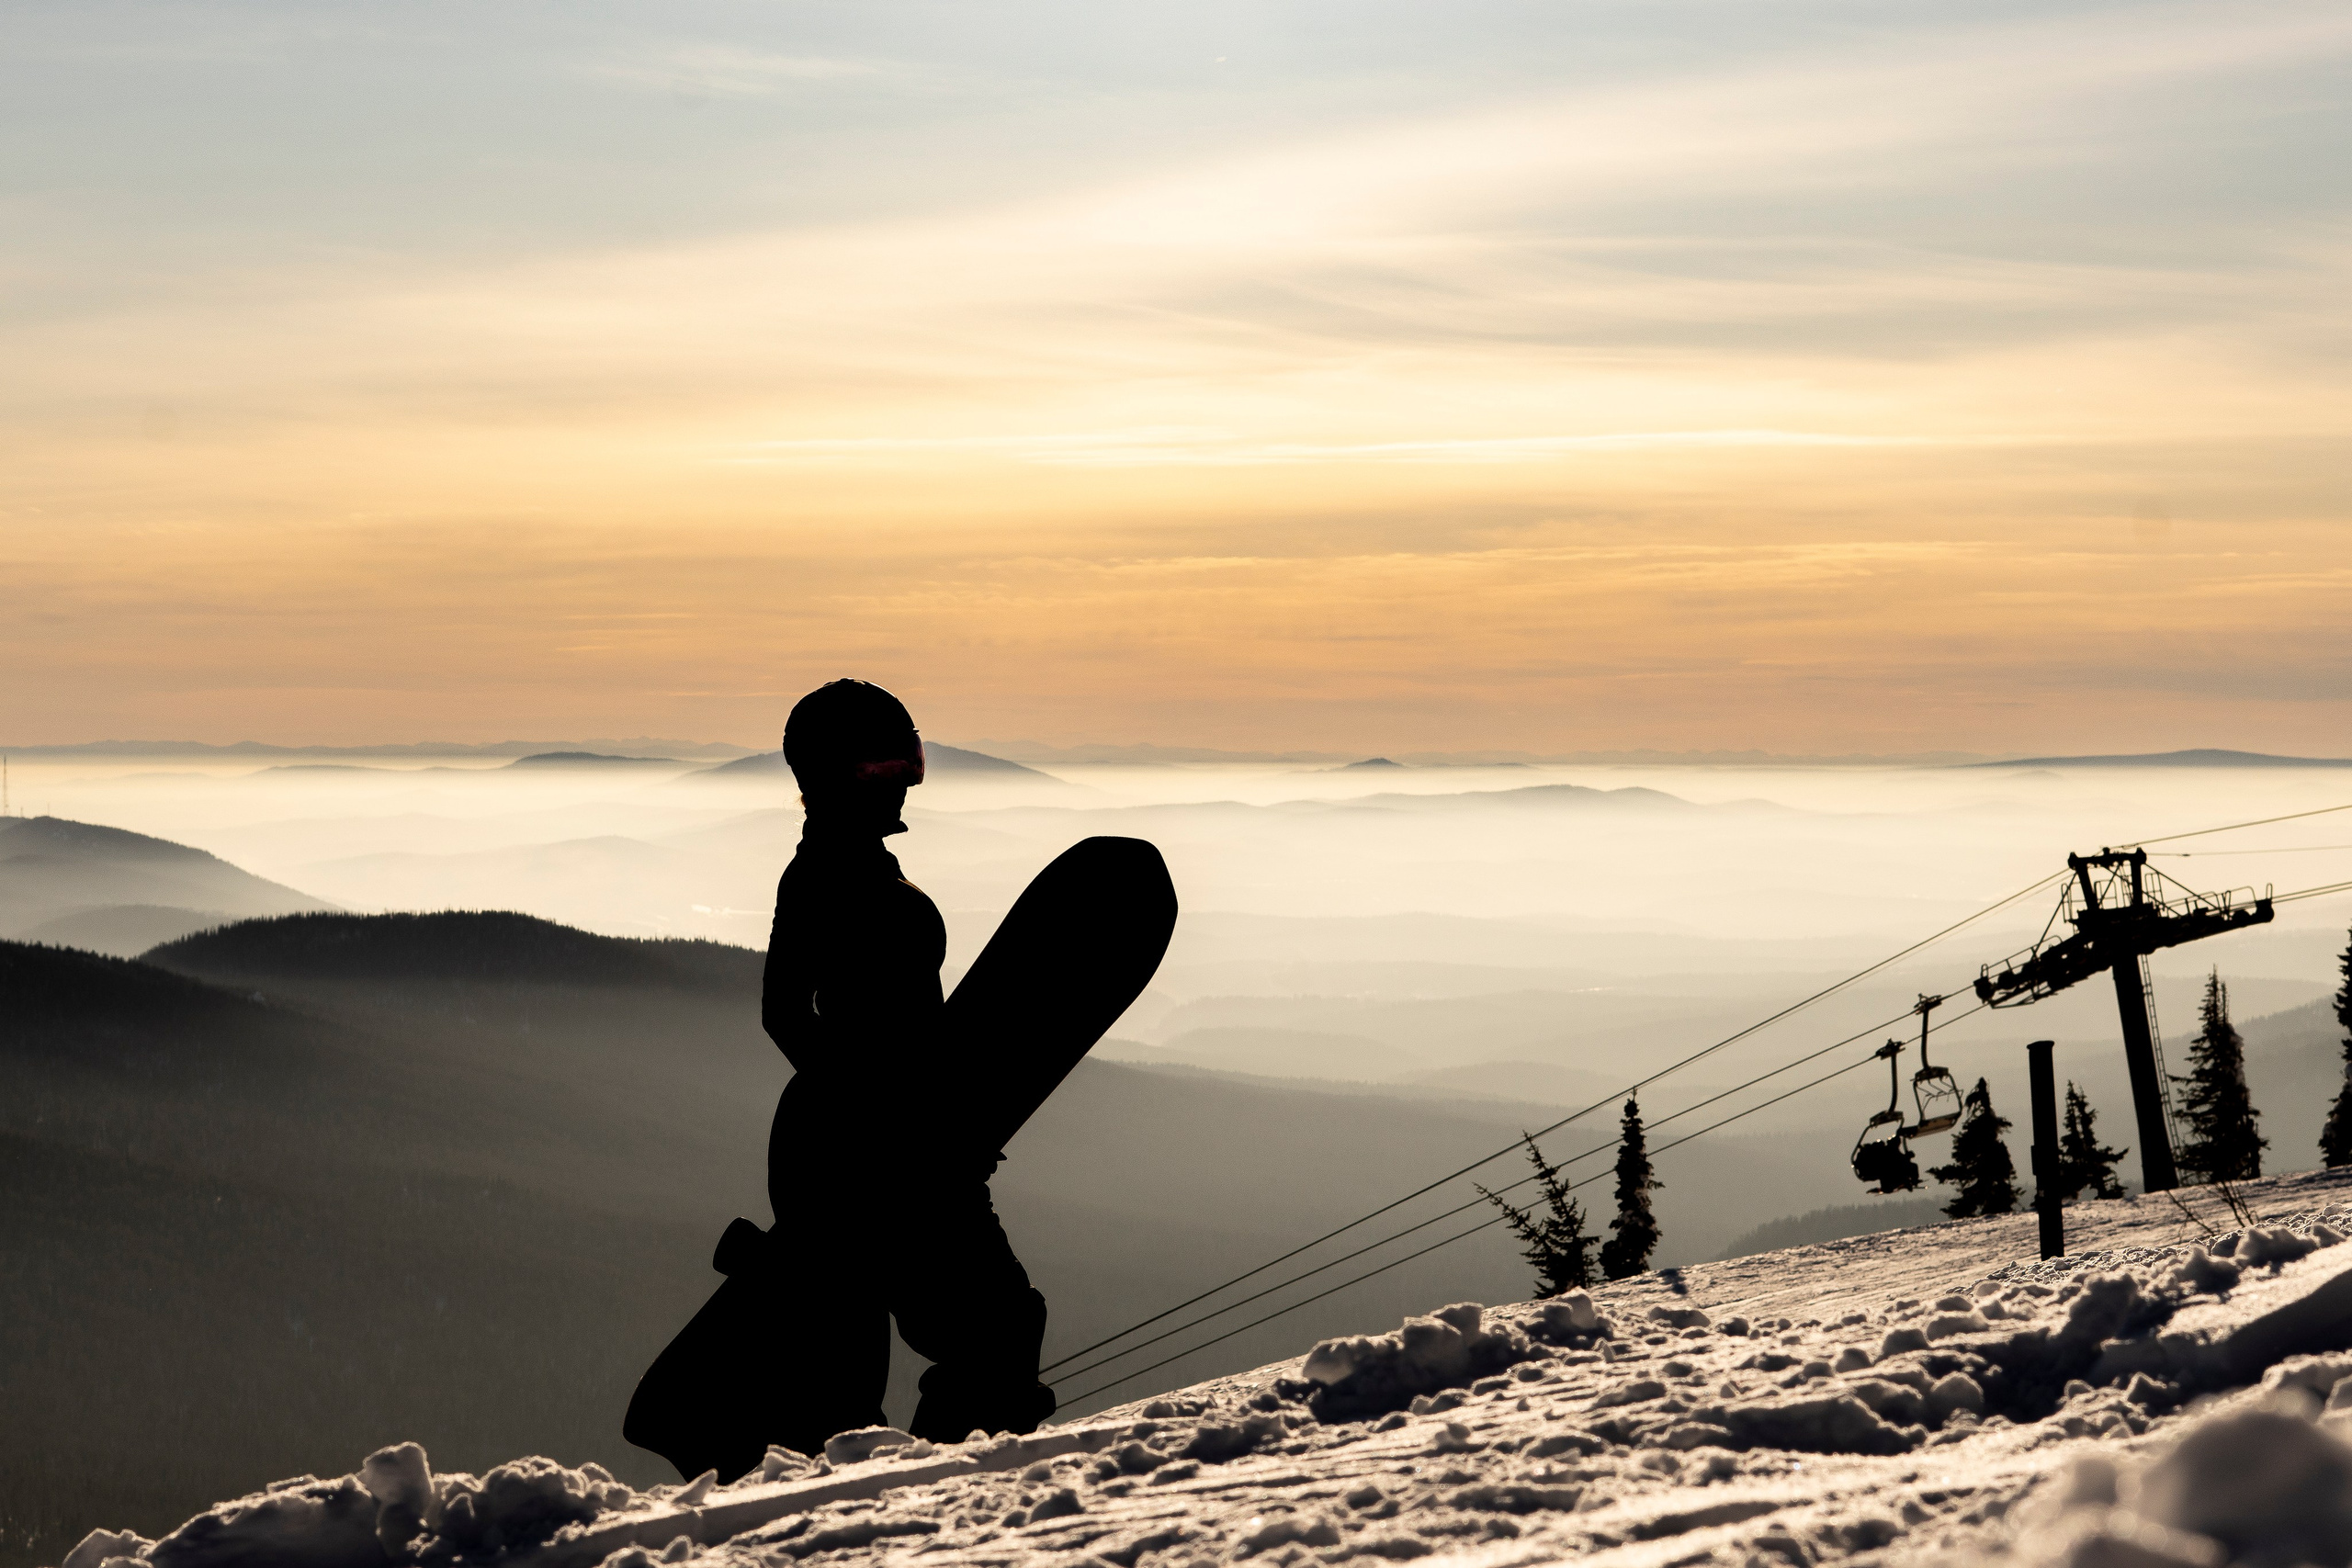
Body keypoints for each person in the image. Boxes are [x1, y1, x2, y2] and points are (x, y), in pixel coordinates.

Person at [755, 679, 1054, 1453]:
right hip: (872, 1154)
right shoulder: (827, 873)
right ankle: (926, 1501)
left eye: (909, 764)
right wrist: (889, 1118)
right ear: (825, 778)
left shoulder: (854, 865)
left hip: (883, 1142)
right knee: (992, 1332)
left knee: (910, 1355)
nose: (901, 785)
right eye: (878, 769)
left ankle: (908, 1497)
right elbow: (785, 1013)